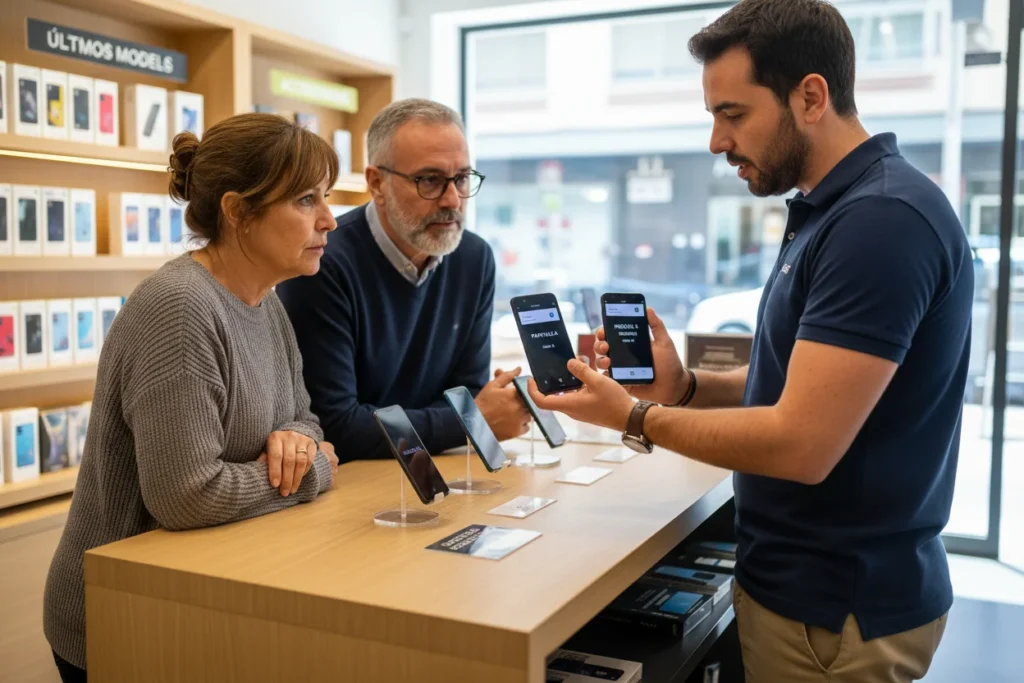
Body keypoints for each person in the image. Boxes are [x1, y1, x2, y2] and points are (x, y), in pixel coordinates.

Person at [530, 1, 972, 681]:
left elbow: (801, 443)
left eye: (733, 114)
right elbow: (800, 388)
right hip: (811, 593)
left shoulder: (878, 221)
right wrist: (684, 388)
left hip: (834, 611)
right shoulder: (836, 208)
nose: (716, 141)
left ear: (811, 97)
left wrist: (635, 416)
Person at [43, 113, 342, 681]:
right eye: (306, 200)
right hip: (126, 611)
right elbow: (187, 496)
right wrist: (314, 470)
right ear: (238, 212)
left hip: (204, 589)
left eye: (325, 197)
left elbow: (305, 418)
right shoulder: (179, 308)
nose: (329, 219)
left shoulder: (266, 300)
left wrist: (299, 440)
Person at [277, 99, 530, 462]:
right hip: (356, 482)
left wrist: (470, 415)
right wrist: (469, 422)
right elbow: (336, 425)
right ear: (376, 183)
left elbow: (467, 394)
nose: (452, 200)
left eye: (461, 179)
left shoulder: (473, 258)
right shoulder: (321, 262)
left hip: (438, 468)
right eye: (429, 180)